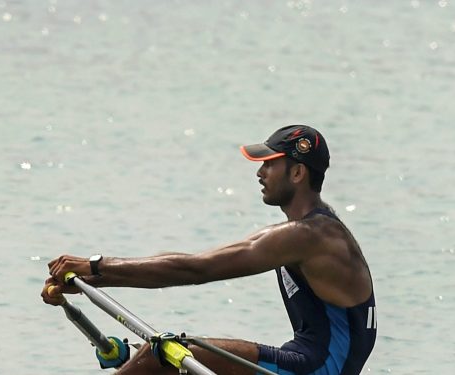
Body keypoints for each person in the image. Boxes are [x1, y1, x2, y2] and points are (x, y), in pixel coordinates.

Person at [42, 125, 377, 375]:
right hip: (304, 361)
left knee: (163, 355)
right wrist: (92, 280)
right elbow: (190, 258)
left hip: (313, 370)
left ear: (298, 172)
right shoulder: (311, 231)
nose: (259, 173)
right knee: (160, 359)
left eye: (269, 163)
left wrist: (97, 266)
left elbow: (196, 269)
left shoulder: (312, 237)